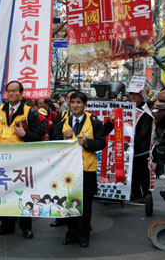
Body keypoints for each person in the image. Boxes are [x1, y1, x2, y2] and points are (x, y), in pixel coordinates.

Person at [0, 81, 46, 239]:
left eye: (14, 91)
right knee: (4, 193)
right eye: (9, 91)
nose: (11, 94)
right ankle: (6, 224)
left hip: (22, 163)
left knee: (24, 194)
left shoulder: (30, 112)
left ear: (21, 93)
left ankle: (26, 226)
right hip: (1, 162)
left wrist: (25, 135)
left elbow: (38, 136)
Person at [52, 91, 105, 248]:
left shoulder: (95, 122)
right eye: (73, 102)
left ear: (85, 105)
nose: (75, 105)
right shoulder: (62, 122)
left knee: (86, 205)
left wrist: (88, 143)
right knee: (68, 204)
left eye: (79, 103)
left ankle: (83, 236)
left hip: (87, 170)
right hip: (67, 172)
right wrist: (63, 136)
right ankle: (71, 233)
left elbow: (102, 143)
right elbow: (53, 142)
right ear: (69, 104)